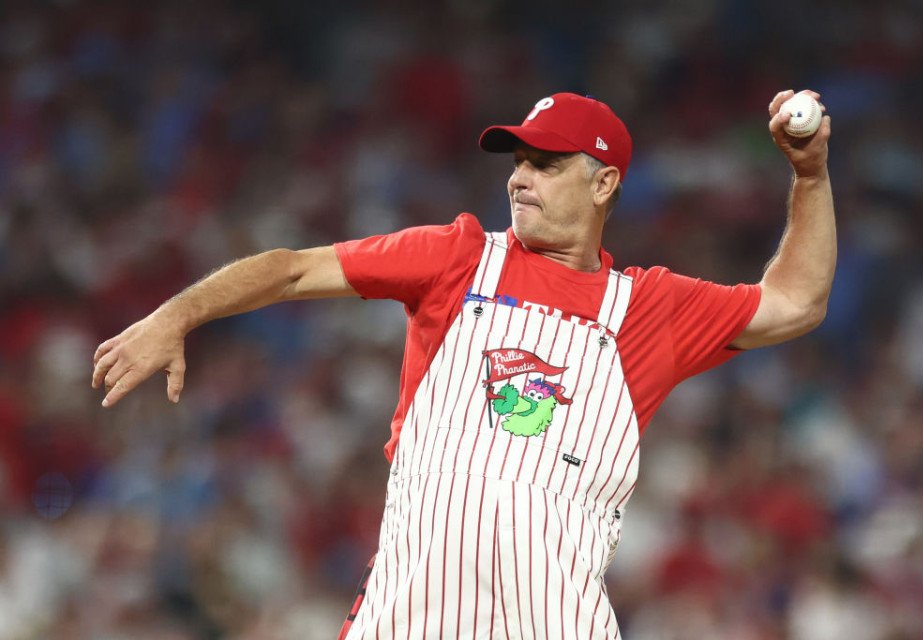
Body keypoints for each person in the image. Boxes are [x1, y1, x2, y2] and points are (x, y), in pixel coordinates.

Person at [92, 90, 834, 638]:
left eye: (546, 164)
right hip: (412, 613)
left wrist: (808, 179)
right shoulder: (458, 258)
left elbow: (796, 303)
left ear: (603, 182)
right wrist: (177, 313)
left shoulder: (647, 308)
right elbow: (291, 269)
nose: (520, 179)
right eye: (518, 163)